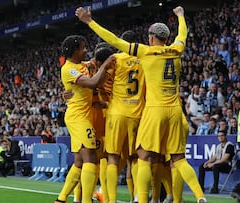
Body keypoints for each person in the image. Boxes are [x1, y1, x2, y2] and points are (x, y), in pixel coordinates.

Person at [76, 5, 206, 203]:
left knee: (137, 156)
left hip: (147, 112)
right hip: (173, 111)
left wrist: (89, 22)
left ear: (151, 38)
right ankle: (198, 196)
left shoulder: (143, 52)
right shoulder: (177, 49)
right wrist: (181, 16)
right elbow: (183, 35)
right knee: (178, 159)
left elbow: (113, 40)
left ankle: (138, 199)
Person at [54, 35, 115, 203]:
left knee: (79, 161)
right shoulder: (69, 69)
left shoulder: (82, 65)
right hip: (78, 117)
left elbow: (93, 63)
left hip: (83, 116)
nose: (85, 50)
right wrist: (107, 65)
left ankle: (61, 198)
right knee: (91, 159)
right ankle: (86, 200)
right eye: (82, 48)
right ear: (74, 51)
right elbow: (93, 82)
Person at [103, 30, 145, 203]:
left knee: (112, 157)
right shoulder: (144, 59)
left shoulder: (115, 59)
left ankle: (111, 200)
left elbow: (104, 84)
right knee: (134, 158)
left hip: (116, 113)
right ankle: (137, 197)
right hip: (136, 114)